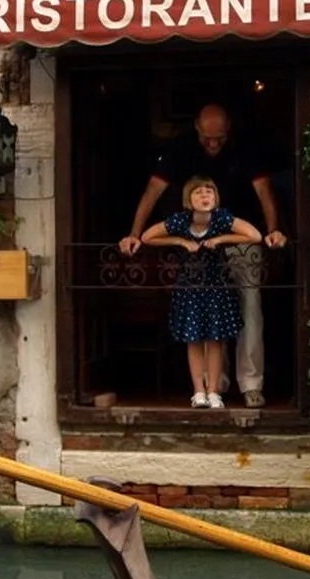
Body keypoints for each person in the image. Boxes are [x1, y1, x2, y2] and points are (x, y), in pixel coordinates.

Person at [118, 104, 287, 408]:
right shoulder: (180, 149)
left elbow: (265, 194)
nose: (213, 144)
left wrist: (273, 230)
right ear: (196, 128)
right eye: (208, 138)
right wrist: (134, 233)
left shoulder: (245, 149)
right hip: (198, 251)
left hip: (239, 240)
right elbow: (152, 192)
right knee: (208, 314)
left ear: (229, 129)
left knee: (250, 306)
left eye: (219, 138)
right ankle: (213, 386)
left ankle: (250, 383)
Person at [140, 176, 262, 407]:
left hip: (215, 287)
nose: (204, 196)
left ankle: (214, 391)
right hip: (189, 288)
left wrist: (221, 239)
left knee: (215, 340)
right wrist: (180, 242)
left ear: (216, 198)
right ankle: (198, 391)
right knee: (193, 340)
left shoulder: (221, 219)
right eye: (198, 192)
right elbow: (147, 237)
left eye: (209, 192)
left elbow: (254, 235)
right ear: (188, 199)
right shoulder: (181, 221)